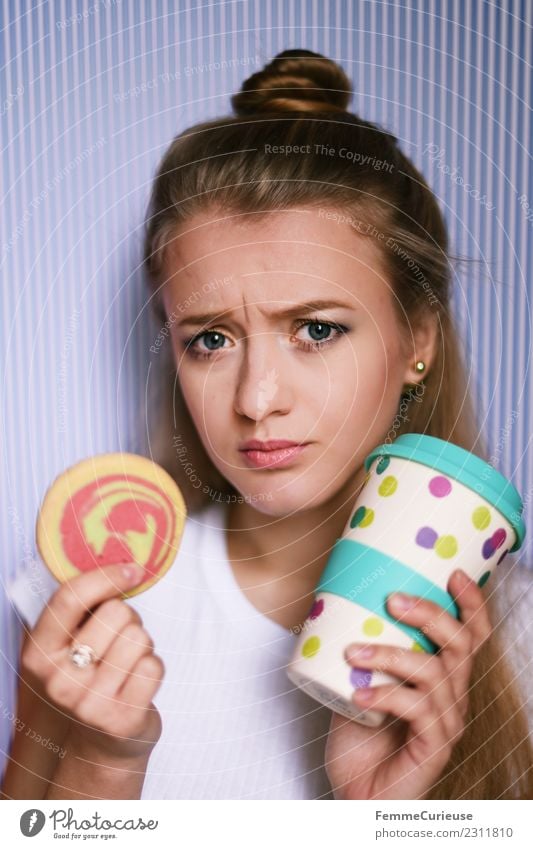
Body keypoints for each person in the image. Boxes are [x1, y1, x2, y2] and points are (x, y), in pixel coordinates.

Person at [2, 49, 532, 801]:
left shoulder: (517, 636)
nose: (256, 399)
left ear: (418, 338)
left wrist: (376, 819)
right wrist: (100, 763)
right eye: (209, 339)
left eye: (315, 329)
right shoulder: (87, 611)